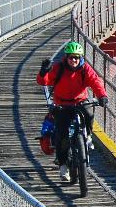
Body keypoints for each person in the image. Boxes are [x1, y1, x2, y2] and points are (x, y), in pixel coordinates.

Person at [37, 41, 108, 182]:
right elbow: (43, 81)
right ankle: (63, 165)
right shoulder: (58, 68)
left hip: (80, 102)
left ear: (80, 57)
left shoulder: (85, 69)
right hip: (62, 104)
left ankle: (87, 135)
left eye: (76, 57)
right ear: (66, 57)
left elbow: (95, 82)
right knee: (61, 135)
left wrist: (102, 96)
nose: (74, 60)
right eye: (71, 57)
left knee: (89, 114)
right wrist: (43, 72)